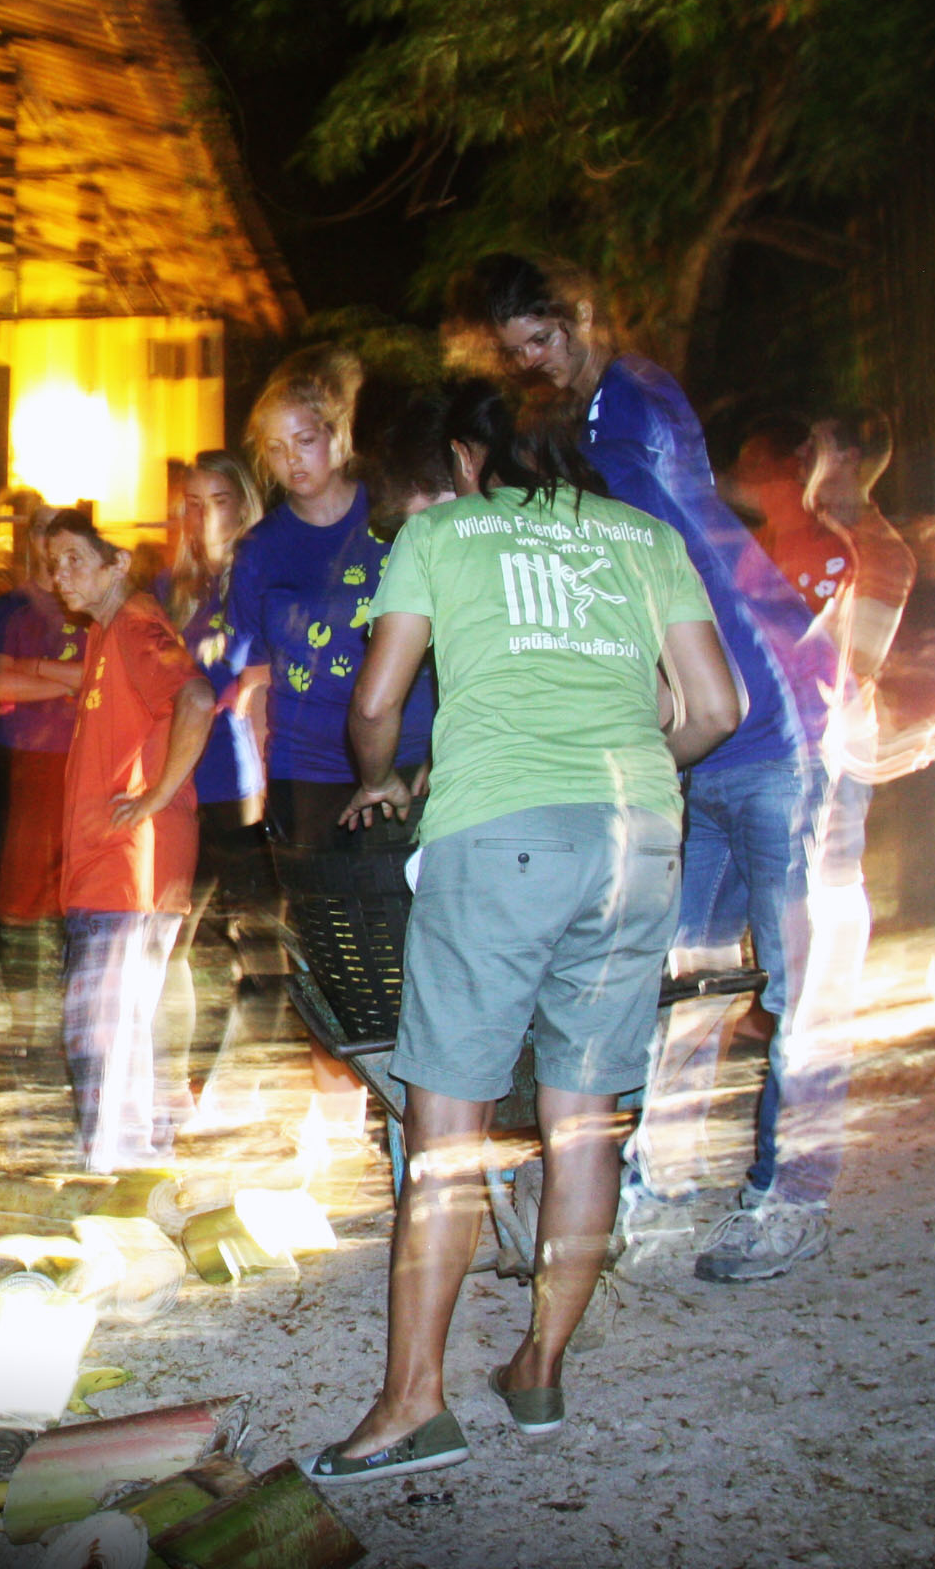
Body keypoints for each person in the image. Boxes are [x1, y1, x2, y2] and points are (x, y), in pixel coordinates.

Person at [305, 378, 738, 1484]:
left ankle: (414, 1406)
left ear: (467, 456)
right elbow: (714, 709)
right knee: (584, 1122)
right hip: (638, 843)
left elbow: (375, 703)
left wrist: (377, 780)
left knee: (447, 1133)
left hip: (498, 841)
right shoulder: (646, 539)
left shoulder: (443, 534)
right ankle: (538, 1368)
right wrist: (620, 772)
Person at [453, 253, 844, 1283]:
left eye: (543, 339)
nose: (533, 362)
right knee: (676, 980)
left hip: (776, 726)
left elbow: (636, 560)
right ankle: (652, 1183)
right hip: (701, 752)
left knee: (800, 982)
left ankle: (792, 1195)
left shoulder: (632, 407)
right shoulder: (581, 438)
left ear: (582, 316)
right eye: (515, 350)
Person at [44, 509, 214, 1171]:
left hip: (126, 870)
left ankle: (110, 1168)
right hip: (119, 869)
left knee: (100, 1029)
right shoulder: (105, 633)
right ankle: (135, 1167)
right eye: (53, 563)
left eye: (74, 559)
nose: (60, 576)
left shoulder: (137, 625)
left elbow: (196, 699)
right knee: (126, 1025)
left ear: (117, 564)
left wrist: (156, 795)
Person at [232, 346, 437, 850]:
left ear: (337, 434)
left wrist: (444, 750)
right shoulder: (259, 549)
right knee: (318, 899)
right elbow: (256, 676)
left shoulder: (395, 519)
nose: (292, 460)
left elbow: (456, 638)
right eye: (276, 448)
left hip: (406, 755)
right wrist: (260, 780)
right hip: (306, 769)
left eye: (304, 441)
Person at [159, 452, 270, 1122]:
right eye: (193, 503)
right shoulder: (173, 590)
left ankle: (234, 1091)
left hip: (243, 788)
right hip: (179, 786)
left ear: (244, 504)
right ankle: (172, 1085)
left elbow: (265, 681)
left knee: (258, 949)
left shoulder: (262, 577)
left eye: (219, 500)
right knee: (167, 937)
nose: (203, 517)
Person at [0, 498, 88, 1060]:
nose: (54, 545)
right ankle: (23, 1026)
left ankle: (74, 1022)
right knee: (18, 901)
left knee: (80, 899)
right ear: (30, 540)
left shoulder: (93, 607)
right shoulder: (12, 607)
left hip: (84, 764)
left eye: (64, 534)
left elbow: (105, 678)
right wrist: (71, 681)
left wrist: (36, 672)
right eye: (44, 531)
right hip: (23, 760)